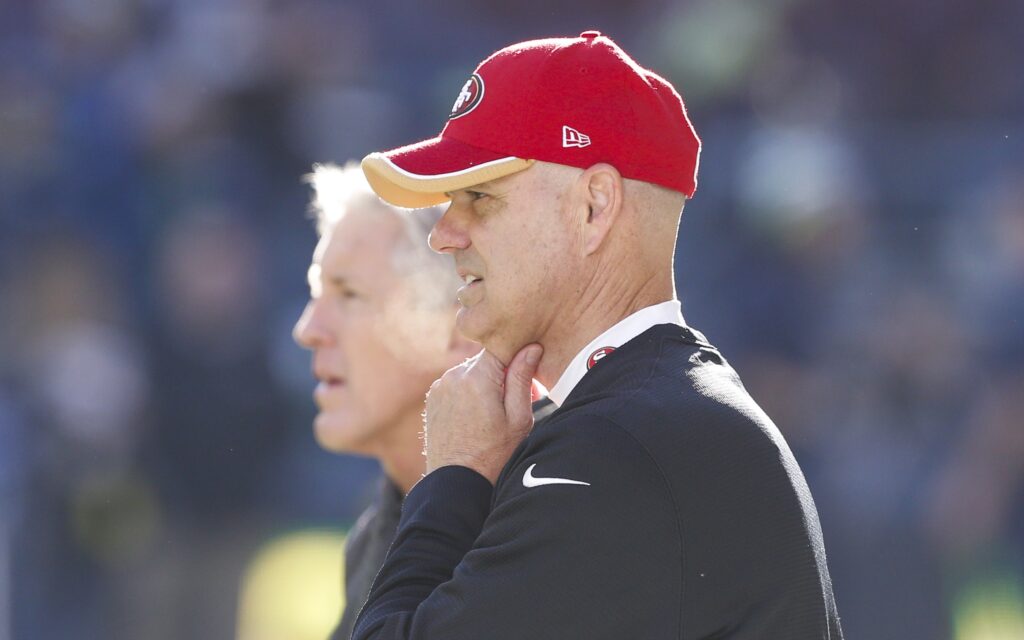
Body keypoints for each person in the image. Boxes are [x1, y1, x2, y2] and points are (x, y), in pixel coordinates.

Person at [352, 32, 844, 639]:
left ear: (594, 206)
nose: (445, 234)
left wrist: (454, 480)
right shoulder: (656, 415)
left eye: (479, 197)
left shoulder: (619, 447)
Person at [292, 162, 482, 640]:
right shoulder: (374, 535)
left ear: (462, 323)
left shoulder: (547, 517)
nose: (308, 330)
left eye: (349, 295)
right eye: (316, 293)